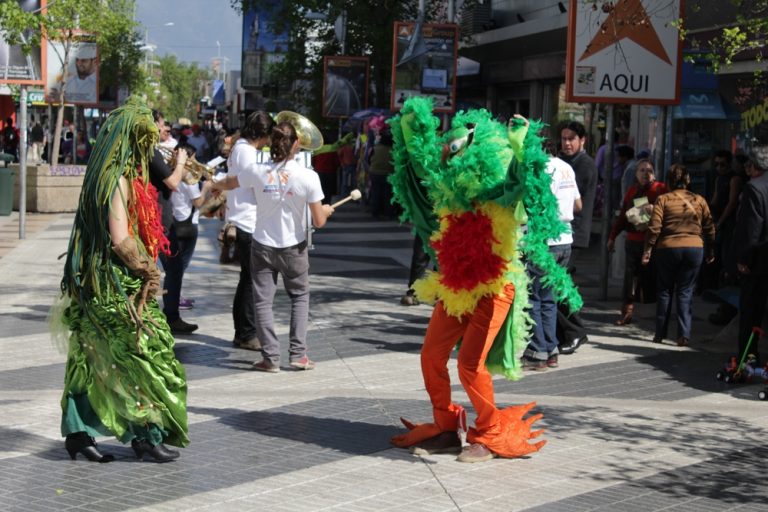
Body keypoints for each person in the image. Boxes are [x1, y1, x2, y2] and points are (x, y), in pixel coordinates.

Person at [388, 98, 581, 462]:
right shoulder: (450, 200)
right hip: (456, 288)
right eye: (451, 155)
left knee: (469, 365)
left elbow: (519, 181)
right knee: (431, 355)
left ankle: (490, 431)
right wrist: (414, 129)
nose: (453, 162)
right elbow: (421, 173)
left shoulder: (501, 199)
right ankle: (446, 426)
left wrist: (522, 146)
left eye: (459, 154)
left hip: (495, 288)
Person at [54, 97, 188, 463]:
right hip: (115, 286)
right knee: (145, 355)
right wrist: (148, 270)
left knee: (93, 357)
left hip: (102, 283)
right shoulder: (116, 182)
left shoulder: (113, 176)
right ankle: (142, 435)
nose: (150, 151)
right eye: (146, 144)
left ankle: (82, 434)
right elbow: (120, 238)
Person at [213, 121, 334, 372]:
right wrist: (325, 210)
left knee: (262, 302)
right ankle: (298, 355)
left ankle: (270, 359)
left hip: (263, 245)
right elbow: (319, 221)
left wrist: (213, 183)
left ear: (272, 143)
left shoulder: (258, 171)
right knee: (299, 297)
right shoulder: (308, 176)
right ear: (297, 144)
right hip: (294, 247)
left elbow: (229, 183)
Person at [523, 143, 582, 370]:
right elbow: (578, 204)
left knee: (534, 297)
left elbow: (535, 206)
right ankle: (551, 350)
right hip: (565, 239)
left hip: (545, 243)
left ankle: (538, 351)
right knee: (549, 299)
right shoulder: (567, 167)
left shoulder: (542, 169)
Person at [642, 164, 715, 346]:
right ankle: (683, 335)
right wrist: (710, 250)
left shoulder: (663, 199)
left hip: (667, 248)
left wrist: (648, 249)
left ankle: (660, 333)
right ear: (688, 180)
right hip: (694, 248)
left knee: (665, 291)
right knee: (685, 291)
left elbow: (654, 227)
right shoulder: (699, 200)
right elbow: (709, 228)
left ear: (668, 181)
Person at [223, 111, 274, 350]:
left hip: (246, 219)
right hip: (247, 220)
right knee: (252, 281)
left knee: (248, 279)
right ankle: (246, 333)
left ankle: (243, 332)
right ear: (261, 134)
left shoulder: (242, 148)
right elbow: (253, 184)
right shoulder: (246, 151)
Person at [160, 143, 212, 335]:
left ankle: (171, 312)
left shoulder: (167, 171)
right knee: (176, 272)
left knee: (173, 272)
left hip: (173, 224)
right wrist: (206, 188)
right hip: (185, 227)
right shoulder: (186, 177)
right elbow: (198, 202)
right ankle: (171, 315)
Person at [607, 159, 667, 326]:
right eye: (641, 170)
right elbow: (622, 217)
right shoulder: (632, 191)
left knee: (655, 279)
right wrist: (612, 237)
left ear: (654, 174)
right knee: (630, 279)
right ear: (636, 174)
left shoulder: (660, 189)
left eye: (649, 170)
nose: (645, 173)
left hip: (654, 243)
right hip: (633, 241)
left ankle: (661, 317)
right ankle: (627, 312)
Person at [733, 146, 768, 362]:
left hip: (759, 260)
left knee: (751, 310)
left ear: (753, 167)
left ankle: (748, 355)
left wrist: (743, 259)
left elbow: (751, 229)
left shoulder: (754, 188)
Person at [367, 128, 395, 219]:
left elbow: (368, 160)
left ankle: (375, 213)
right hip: (388, 173)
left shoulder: (374, 148)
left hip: (374, 173)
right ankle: (388, 213)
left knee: (375, 193)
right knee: (388, 194)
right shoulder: (393, 150)